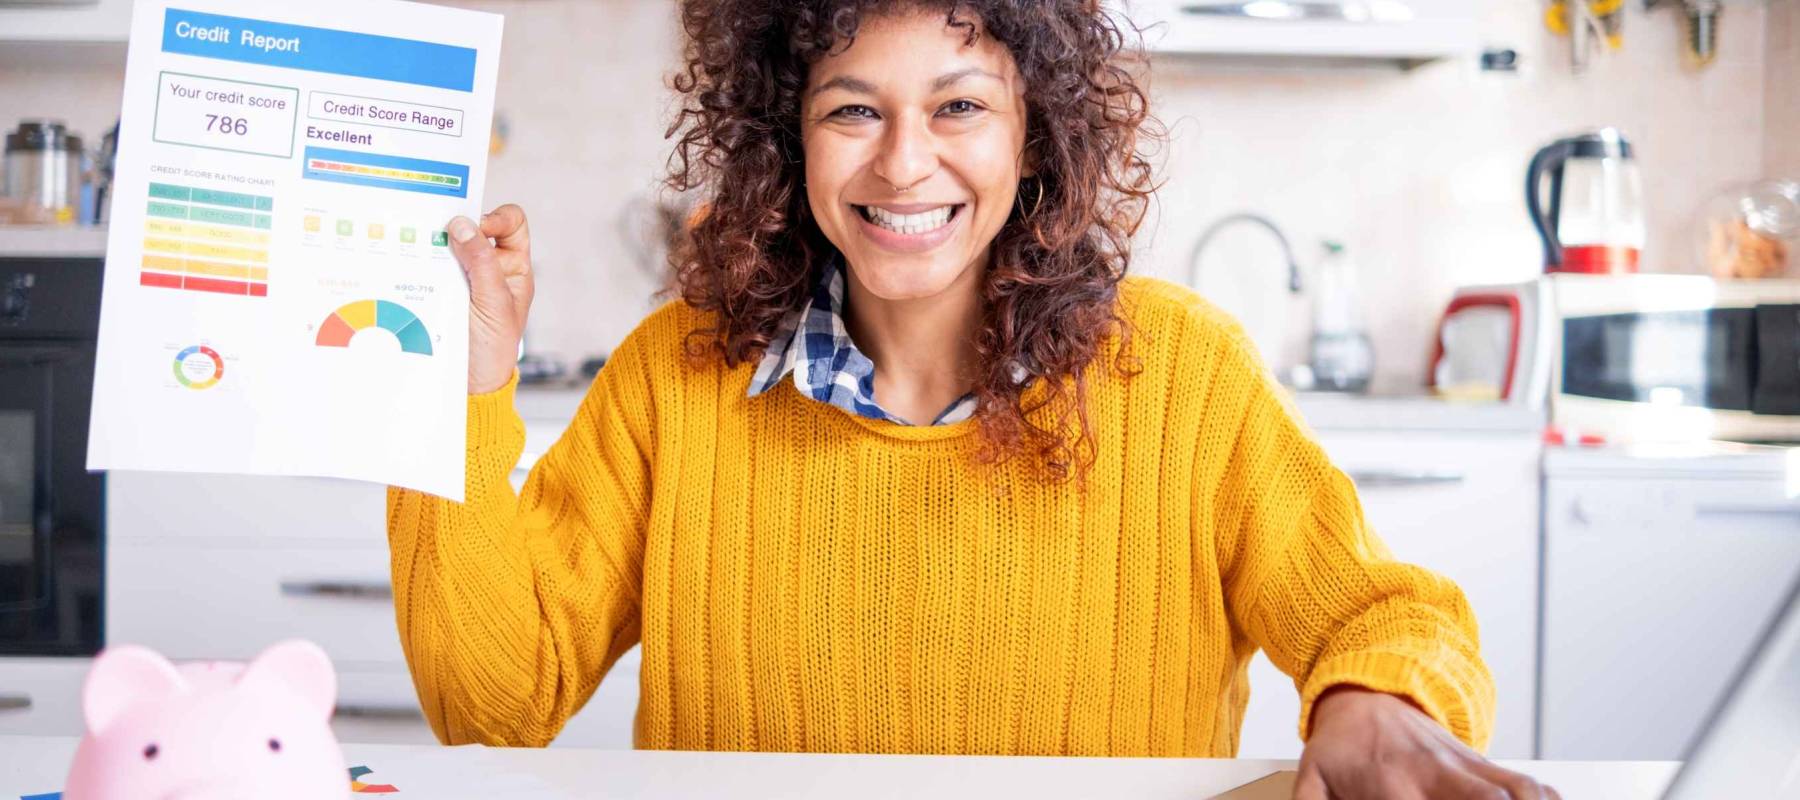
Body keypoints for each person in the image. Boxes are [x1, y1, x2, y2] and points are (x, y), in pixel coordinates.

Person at [387, 2, 1560, 797]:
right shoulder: (676, 375)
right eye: (853, 109)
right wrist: (462, 382)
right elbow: (494, 695)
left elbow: (1387, 612)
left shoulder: (1182, 374)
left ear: (1033, 139)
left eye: (958, 107)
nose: (903, 163)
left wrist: (1369, 696)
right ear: (784, 140)